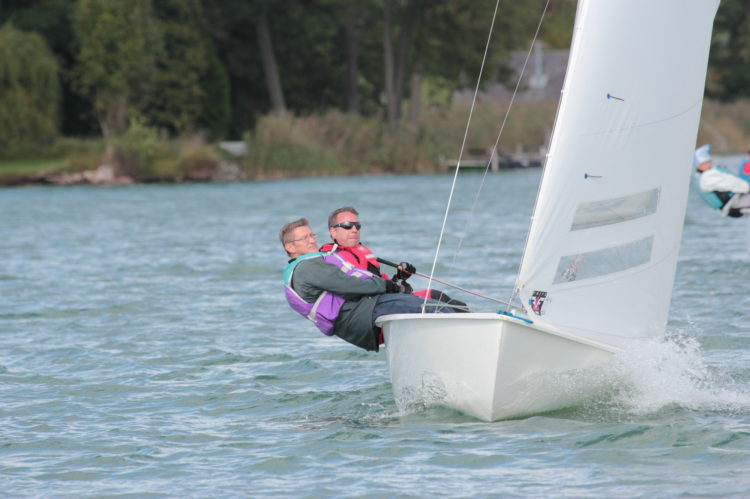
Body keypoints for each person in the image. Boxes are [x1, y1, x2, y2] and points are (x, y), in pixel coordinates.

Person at [281, 218, 464, 352]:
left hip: (367, 306)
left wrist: (394, 283)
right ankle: (464, 351)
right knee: (432, 309)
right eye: (304, 238)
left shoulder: (314, 262)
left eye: (312, 235)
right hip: (361, 314)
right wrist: (390, 286)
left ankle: (482, 338)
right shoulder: (306, 267)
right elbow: (349, 284)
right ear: (291, 248)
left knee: (444, 302)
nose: (312, 240)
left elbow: (359, 279)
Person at [319, 206, 467, 308]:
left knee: (442, 298)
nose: (354, 230)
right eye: (347, 225)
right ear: (333, 232)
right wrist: (394, 287)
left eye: (357, 226)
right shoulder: (334, 258)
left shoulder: (361, 251)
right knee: (436, 305)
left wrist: (400, 278)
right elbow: (361, 287)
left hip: (387, 300)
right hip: (372, 309)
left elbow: (386, 284)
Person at [694, 144, 750, 217]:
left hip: (737, 199)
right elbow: (731, 184)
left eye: (709, 161)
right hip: (734, 203)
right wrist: (747, 187)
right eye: (706, 162)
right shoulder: (707, 177)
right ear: (699, 166)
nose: (709, 163)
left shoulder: (708, 175)